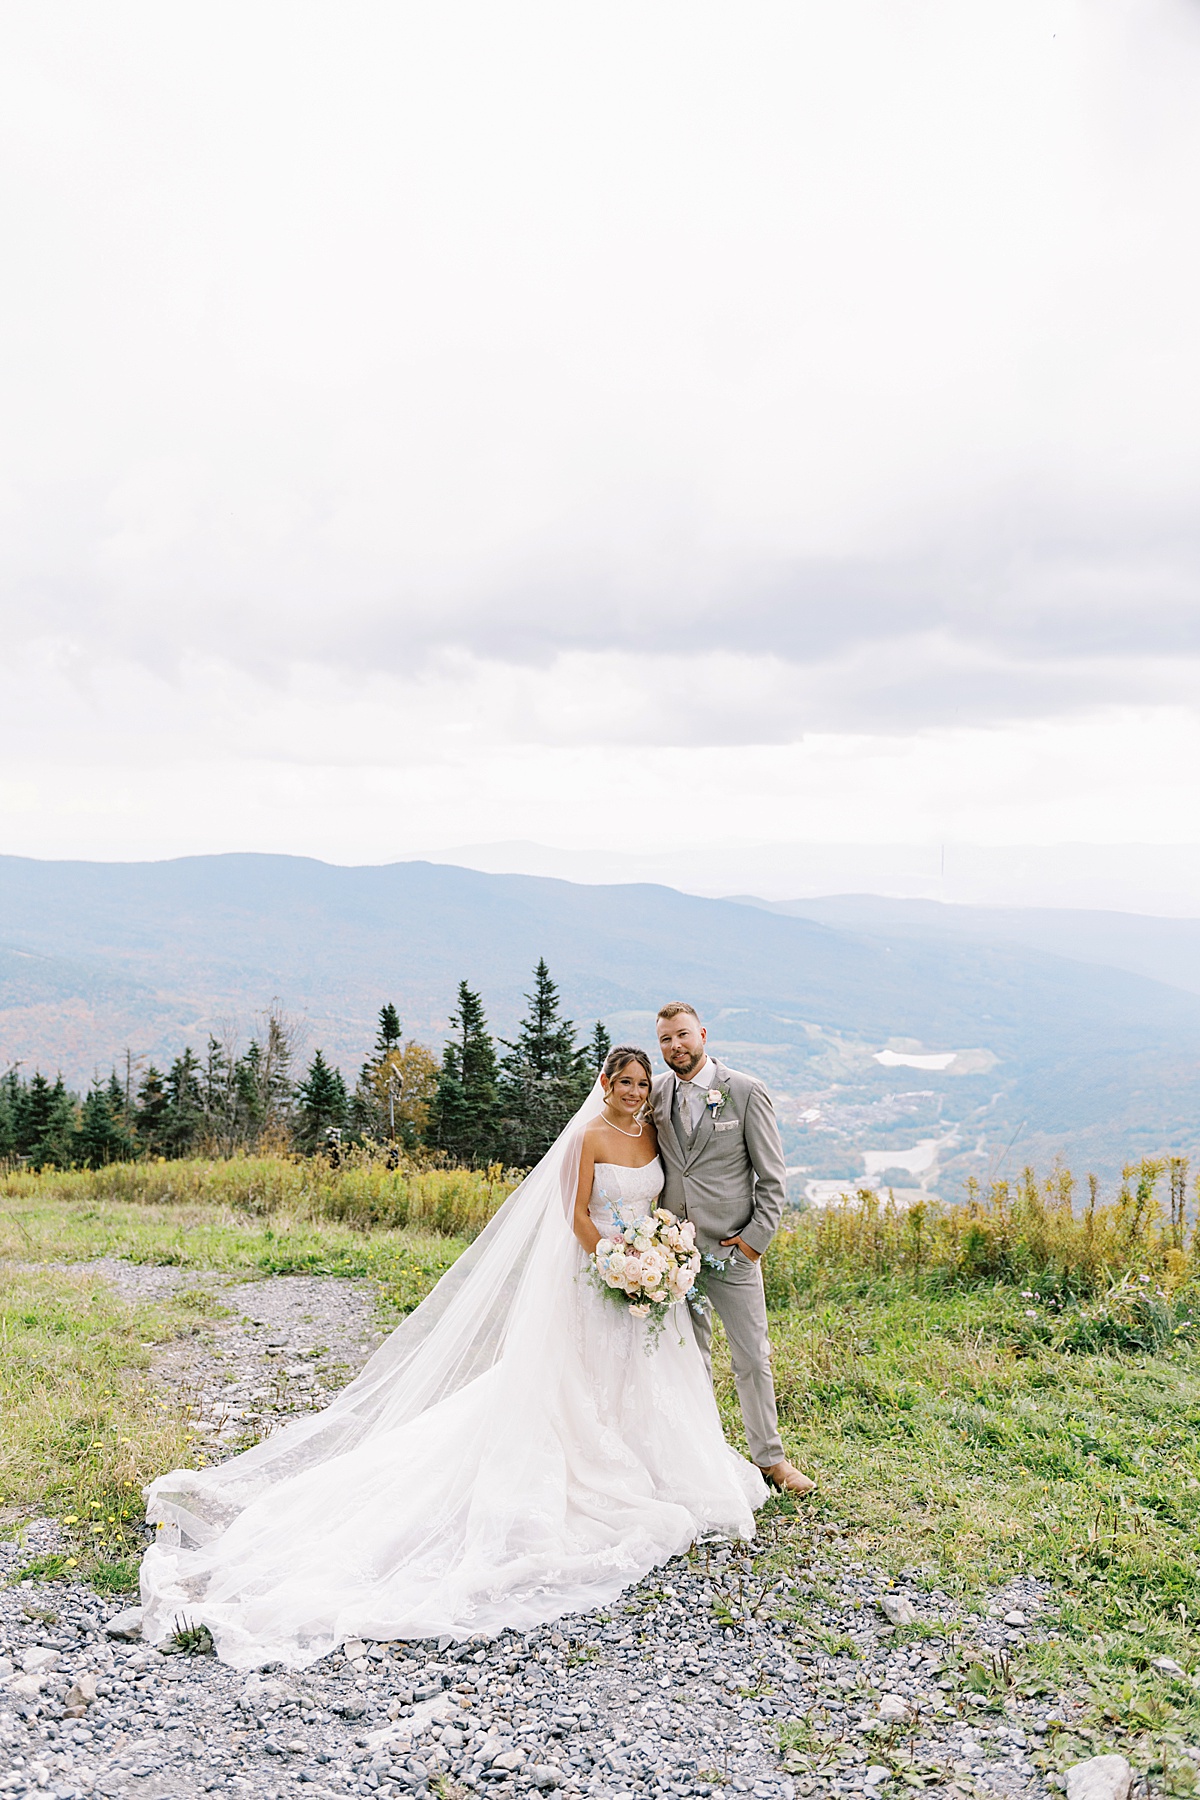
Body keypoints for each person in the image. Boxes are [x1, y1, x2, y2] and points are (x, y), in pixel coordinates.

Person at [139, 1046, 764, 1670]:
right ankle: (593, 1464)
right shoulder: (590, 1137)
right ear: (604, 1082)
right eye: (622, 1081)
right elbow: (575, 1213)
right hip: (600, 1272)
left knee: (641, 1376)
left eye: (639, 1082)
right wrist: (615, 1263)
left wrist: (659, 1254)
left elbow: (660, 1202)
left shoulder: (651, 1128)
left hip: (645, 1278)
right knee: (582, 1380)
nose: (633, 1091)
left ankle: (650, 1462)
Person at [652, 1002, 816, 1498]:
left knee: (751, 1357)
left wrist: (752, 1243)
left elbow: (772, 1179)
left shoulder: (744, 1091)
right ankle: (704, 1458)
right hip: (674, 1257)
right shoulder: (654, 1093)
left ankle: (771, 1460)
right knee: (688, 1358)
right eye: (665, 1039)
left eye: (682, 1035)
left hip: (733, 1252)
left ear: (701, 1034)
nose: (675, 1046)